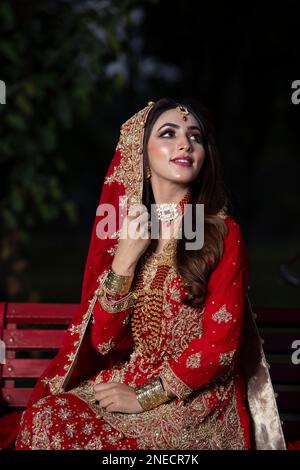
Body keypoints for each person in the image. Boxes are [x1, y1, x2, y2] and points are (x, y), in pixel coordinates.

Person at [13, 98, 285, 450]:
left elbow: (220, 347)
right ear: (140, 155)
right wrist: (123, 263)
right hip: (129, 380)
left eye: (195, 136)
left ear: (204, 158)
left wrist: (146, 396)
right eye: (169, 133)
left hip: (194, 401)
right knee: (46, 417)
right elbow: (105, 342)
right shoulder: (128, 232)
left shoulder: (221, 232)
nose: (185, 143)